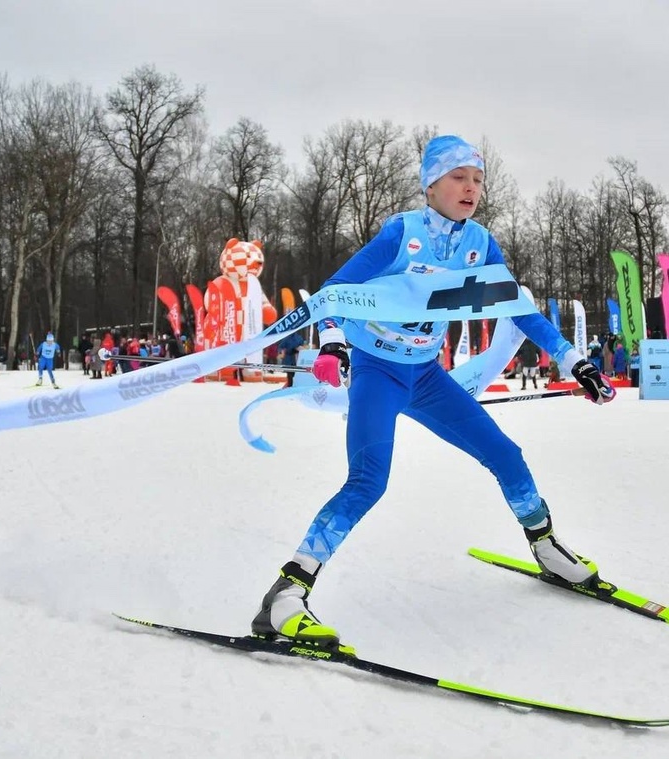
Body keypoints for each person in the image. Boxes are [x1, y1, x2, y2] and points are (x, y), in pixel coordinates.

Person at [250, 135, 615, 646]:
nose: (470, 188)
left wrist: (576, 361)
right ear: (431, 184)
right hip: (378, 372)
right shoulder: (402, 233)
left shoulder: (480, 243)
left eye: (478, 180)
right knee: (368, 481)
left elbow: (517, 306)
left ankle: (547, 547)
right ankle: (286, 594)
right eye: (458, 178)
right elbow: (333, 293)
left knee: (506, 455)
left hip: (426, 375)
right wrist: (333, 345)